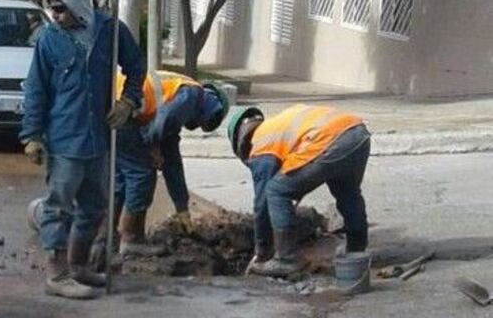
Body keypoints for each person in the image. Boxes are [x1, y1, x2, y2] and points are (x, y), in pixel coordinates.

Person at [21, 0, 144, 300]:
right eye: (52, 9)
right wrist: (32, 134)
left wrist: (128, 101)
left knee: (94, 206)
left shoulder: (110, 31)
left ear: (78, 4)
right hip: (64, 139)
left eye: (61, 8)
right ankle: (57, 274)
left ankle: (77, 266)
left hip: (98, 138)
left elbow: (136, 66)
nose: (55, 15)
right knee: (58, 208)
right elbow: (36, 89)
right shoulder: (49, 39)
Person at [226, 104, 372, 277]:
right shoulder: (278, 127)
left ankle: (286, 259)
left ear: (240, 143)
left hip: (330, 140)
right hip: (357, 133)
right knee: (348, 192)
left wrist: (262, 250)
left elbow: (262, 202)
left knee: (276, 191)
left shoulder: (260, 144)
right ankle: (357, 251)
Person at [109, 70, 230, 256]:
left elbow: (173, 166)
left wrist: (183, 209)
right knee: (142, 175)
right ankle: (131, 239)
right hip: (123, 107)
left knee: (121, 181)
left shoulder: (173, 98)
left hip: (112, 104)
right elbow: (162, 124)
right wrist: (152, 146)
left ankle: (106, 239)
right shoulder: (192, 93)